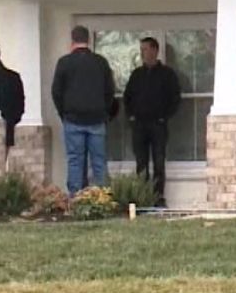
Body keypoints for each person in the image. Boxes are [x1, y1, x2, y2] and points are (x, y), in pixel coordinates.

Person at [51, 25, 116, 195]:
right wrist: (104, 112)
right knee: (99, 162)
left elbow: (56, 92)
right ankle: (103, 199)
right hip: (97, 119)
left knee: (75, 161)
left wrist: (63, 113)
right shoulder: (100, 62)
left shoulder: (64, 62)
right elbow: (110, 91)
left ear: (72, 41)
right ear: (88, 40)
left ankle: (76, 199)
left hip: (72, 119)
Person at [123, 37, 181, 206]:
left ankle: (158, 197)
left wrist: (165, 116)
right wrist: (131, 116)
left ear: (155, 50)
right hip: (139, 125)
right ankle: (143, 198)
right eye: (141, 50)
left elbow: (175, 98)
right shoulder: (137, 75)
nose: (142, 53)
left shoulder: (167, 74)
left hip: (158, 124)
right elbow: (127, 98)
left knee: (158, 162)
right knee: (141, 163)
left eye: (146, 49)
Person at [0, 44, 26, 152]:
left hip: (3, 122)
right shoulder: (13, 77)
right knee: (3, 159)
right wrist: (13, 120)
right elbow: (20, 102)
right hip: (8, 122)